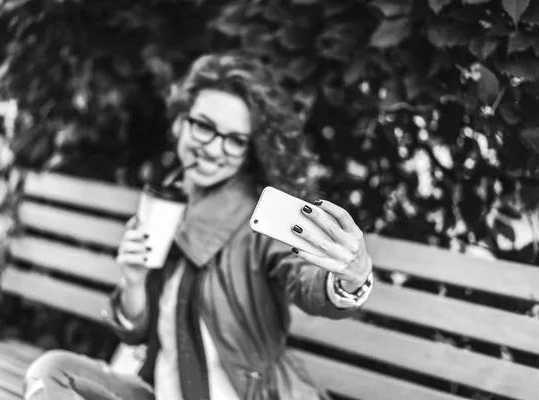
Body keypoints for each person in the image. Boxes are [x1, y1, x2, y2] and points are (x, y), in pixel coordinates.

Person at [23, 52, 374, 400]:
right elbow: (137, 336)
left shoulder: (259, 222)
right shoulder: (169, 200)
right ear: (181, 122)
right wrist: (134, 280)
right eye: (204, 126)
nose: (213, 149)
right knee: (51, 371)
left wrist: (350, 277)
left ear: (251, 150)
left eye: (235, 140)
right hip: (160, 390)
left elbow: (307, 280)